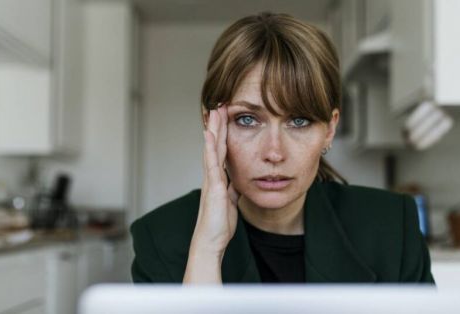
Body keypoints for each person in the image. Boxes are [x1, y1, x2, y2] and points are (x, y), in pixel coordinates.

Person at [130, 12, 435, 284]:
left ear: (329, 128)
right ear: (211, 124)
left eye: (299, 121)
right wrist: (208, 249)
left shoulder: (392, 227)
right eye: (247, 119)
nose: (274, 153)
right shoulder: (160, 237)